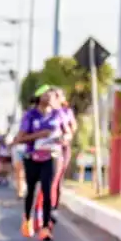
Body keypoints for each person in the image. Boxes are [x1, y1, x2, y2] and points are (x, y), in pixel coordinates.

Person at [15, 87, 65, 241]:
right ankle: (27, 221)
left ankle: (45, 228)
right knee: (31, 190)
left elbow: (67, 131)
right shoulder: (30, 115)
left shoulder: (58, 114)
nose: (49, 96)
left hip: (50, 157)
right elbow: (20, 138)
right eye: (46, 94)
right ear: (39, 97)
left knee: (47, 190)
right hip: (32, 157)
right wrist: (40, 135)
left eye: (51, 95)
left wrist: (63, 138)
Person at [52, 89, 77, 218]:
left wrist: (66, 136)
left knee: (57, 179)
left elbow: (72, 128)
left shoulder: (67, 112)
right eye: (54, 95)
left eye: (58, 95)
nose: (56, 97)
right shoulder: (47, 111)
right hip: (48, 149)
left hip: (62, 149)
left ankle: (53, 207)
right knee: (49, 178)